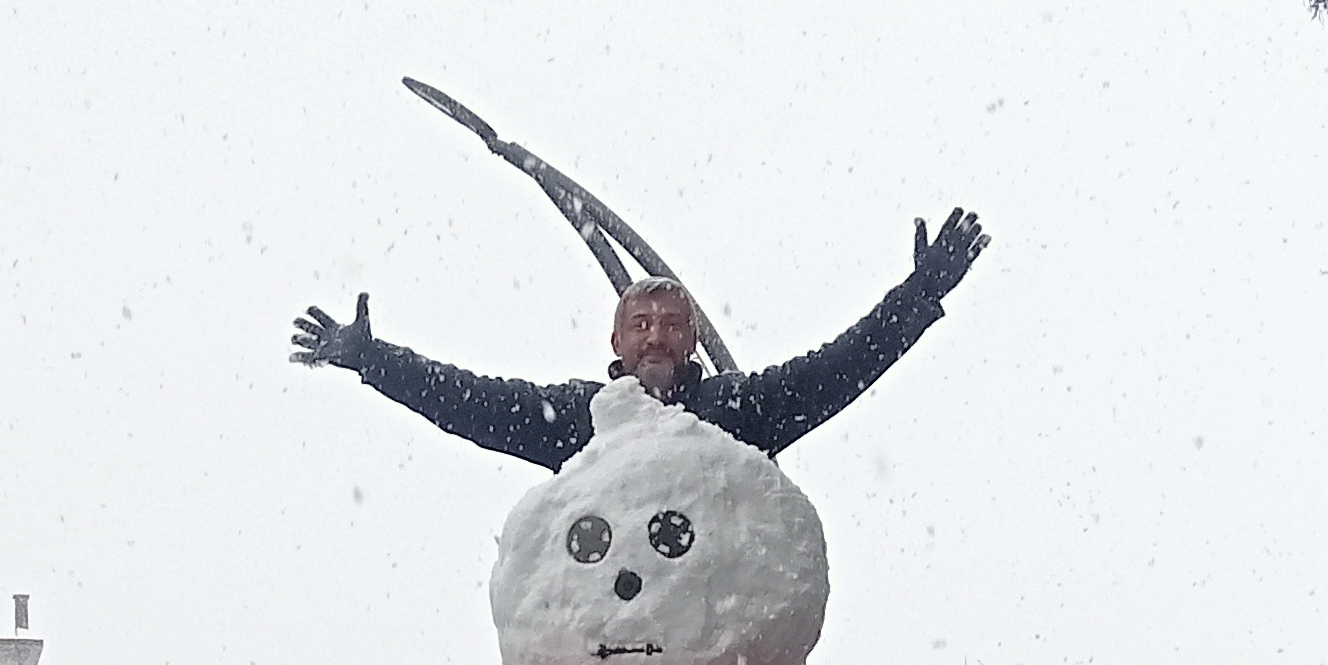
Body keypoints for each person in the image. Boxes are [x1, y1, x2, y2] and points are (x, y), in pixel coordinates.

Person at [285, 214, 989, 473]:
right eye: (641, 323)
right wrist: (375, 361)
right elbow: (470, 400)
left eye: (671, 323)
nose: (657, 335)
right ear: (617, 341)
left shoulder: (736, 413)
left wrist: (918, 296)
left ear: (693, 340)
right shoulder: (582, 421)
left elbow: (840, 367)